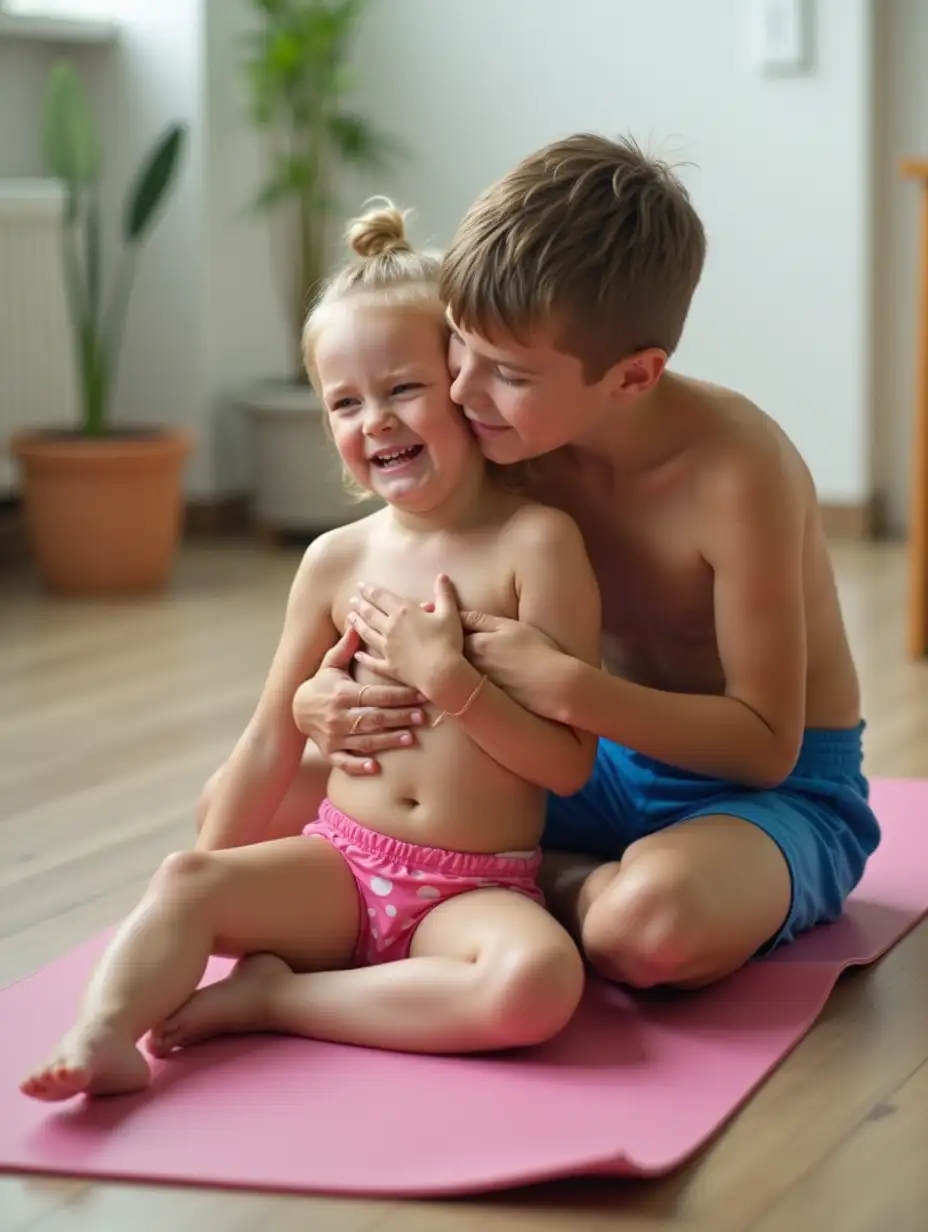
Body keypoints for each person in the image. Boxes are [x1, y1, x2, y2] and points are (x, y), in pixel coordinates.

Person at [242, 133, 881, 993]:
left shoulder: (736, 472)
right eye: (460, 349)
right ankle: (499, 900)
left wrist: (563, 686)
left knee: (646, 927)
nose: (462, 392)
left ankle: (536, 893)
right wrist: (323, 700)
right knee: (283, 804)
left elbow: (766, 745)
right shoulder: (506, 432)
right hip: (578, 760)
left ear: (632, 377)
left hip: (763, 791)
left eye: (505, 372)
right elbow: (391, 567)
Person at [20, 202, 601, 1103]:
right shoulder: (336, 559)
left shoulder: (538, 544)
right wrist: (209, 883)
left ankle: (287, 1002)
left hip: (472, 890)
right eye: (344, 402)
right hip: (339, 863)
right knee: (182, 880)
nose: (376, 420)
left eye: (403, 387)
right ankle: (101, 1035)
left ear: (462, 385)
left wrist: (450, 680)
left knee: (537, 986)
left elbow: (567, 766)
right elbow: (266, 744)